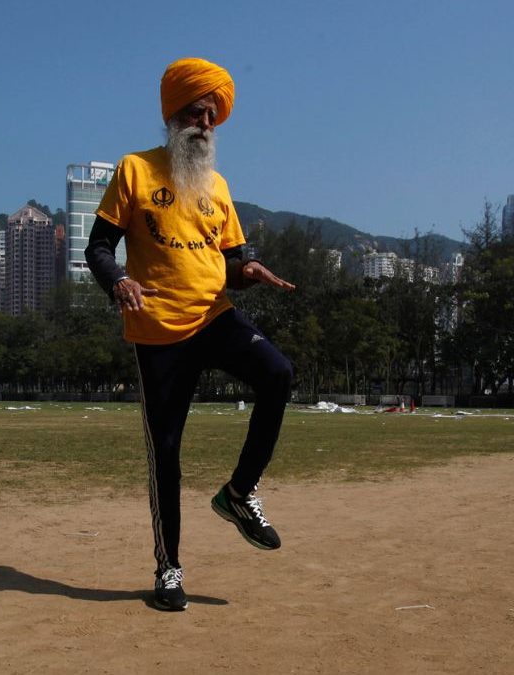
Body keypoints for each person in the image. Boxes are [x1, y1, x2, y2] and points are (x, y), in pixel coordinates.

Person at [85, 57, 296, 611]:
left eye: (212, 115)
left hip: (214, 315)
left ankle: (239, 493)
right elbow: (98, 247)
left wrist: (250, 270)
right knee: (167, 451)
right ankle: (169, 568)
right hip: (158, 328)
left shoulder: (217, 186)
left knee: (278, 373)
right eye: (197, 113)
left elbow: (233, 261)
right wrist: (119, 282)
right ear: (173, 116)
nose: (206, 123)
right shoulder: (135, 170)